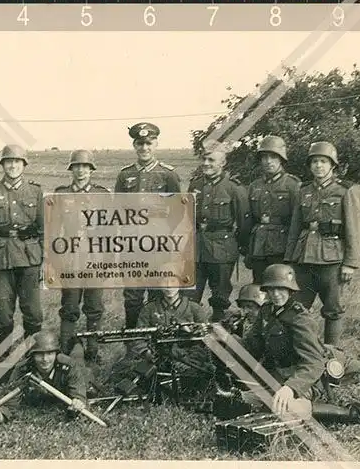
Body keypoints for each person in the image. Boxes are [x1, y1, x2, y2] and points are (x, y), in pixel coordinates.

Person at [214, 264, 360, 428]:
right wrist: (226, 338)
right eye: (272, 289)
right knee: (248, 401)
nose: (276, 294)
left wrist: (291, 388)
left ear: (291, 290)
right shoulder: (267, 312)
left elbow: (314, 363)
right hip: (281, 374)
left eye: (281, 288)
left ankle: (354, 413)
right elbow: (252, 347)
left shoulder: (300, 318)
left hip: (316, 371)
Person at [284, 141, 360, 345]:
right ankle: (303, 351)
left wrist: (350, 263)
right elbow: (295, 226)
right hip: (304, 258)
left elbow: (353, 229)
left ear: (332, 165)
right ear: (310, 166)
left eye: (323, 161)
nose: (318, 166)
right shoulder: (303, 190)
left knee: (333, 309)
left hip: (332, 258)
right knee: (297, 308)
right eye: (314, 162)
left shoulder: (344, 191)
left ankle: (332, 355)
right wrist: (289, 258)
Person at [114, 122, 181, 329]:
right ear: (134, 146)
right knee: (133, 295)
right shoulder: (125, 175)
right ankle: (134, 339)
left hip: (158, 245)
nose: (144, 148)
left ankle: (156, 337)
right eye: (140, 144)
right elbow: (118, 209)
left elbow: (177, 211)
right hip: (132, 246)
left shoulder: (168, 174)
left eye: (148, 143)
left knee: (156, 292)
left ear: (156, 144)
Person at [0, 144, 44, 342]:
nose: (12, 165)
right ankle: (2, 361)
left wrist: (46, 259)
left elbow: (43, 228)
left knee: (33, 312)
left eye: (17, 161)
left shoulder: (35, 190)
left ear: (24, 164)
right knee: (3, 313)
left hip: (30, 257)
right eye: (8, 161)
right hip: (2, 258)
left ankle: (34, 356)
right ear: (2, 164)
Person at [110, 288, 215, 408]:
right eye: (165, 284)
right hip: (157, 357)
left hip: (189, 358)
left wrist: (190, 332)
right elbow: (139, 337)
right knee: (123, 369)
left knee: (206, 373)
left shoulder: (193, 308)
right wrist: (147, 353)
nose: (169, 288)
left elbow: (207, 337)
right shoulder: (150, 308)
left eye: (173, 284)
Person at [54, 150, 110, 360]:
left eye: (85, 167)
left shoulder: (102, 195)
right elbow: (54, 229)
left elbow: (109, 230)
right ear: (71, 169)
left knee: (94, 306)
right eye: (77, 166)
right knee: (69, 306)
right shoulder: (61, 194)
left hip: (95, 257)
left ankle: (93, 351)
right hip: (71, 258)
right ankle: (65, 349)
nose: (81, 171)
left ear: (91, 170)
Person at [187, 142, 251, 322]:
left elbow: (244, 223)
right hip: (197, 249)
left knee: (220, 299)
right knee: (190, 297)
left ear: (223, 163)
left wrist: (237, 245)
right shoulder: (195, 185)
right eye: (204, 159)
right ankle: (190, 340)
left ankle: (218, 341)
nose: (206, 163)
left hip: (222, 249)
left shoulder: (234, 188)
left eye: (211, 160)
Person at [0, 329, 88, 423]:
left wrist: (78, 403)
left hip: (78, 367)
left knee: (78, 356)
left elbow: (79, 395)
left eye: (49, 353)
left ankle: (77, 342)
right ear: (32, 355)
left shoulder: (69, 366)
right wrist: (1, 415)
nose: (45, 359)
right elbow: (11, 402)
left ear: (56, 353)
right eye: (40, 354)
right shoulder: (22, 369)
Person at [244, 136, 301, 284]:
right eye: (264, 157)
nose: (268, 161)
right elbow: (248, 219)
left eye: (273, 157)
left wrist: (293, 251)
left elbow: (298, 219)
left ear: (281, 159)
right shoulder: (254, 186)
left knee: (280, 285)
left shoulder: (292, 185)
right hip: (258, 245)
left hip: (282, 246)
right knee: (259, 287)